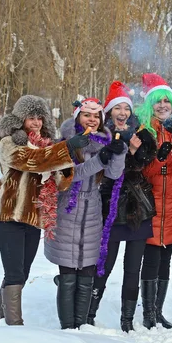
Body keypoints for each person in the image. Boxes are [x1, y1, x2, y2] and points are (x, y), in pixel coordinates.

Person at [0, 94, 90, 326]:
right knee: (15, 274)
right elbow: (32, 161)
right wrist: (65, 149)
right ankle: (14, 325)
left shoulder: (48, 147)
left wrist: (68, 162)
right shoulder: (9, 143)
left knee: (21, 274)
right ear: (20, 119)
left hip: (34, 219)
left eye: (39, 118)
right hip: (10, 217)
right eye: (30, 118)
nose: (35, 122)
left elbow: (60, 183)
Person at [44, 97, 127, 330]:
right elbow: (68, 177)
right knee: (68, 271)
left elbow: (112, 174)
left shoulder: (103, 142)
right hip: (67, 208)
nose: (91, 120)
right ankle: (67, 326)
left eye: (95, 116)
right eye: (86, 115)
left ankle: (81, 326)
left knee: (87, 272)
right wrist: (98, 160)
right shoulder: (66, 142)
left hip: (92, 209)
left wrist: (118, 154)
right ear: (77, 117)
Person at [88, 81, 157, 332]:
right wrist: (127, 151)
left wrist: (138, 150)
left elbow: (141, 167)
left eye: (126, 109)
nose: (123, 113)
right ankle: (89, 312)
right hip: (112, 206)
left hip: (138, 207)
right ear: (109, 112)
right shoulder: (101, 135)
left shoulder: (141, 133)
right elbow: (108, 173)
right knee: (104, 263)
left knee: (133, 267)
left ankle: (127, 319)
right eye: (117, 108)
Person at [134, 73, 172, 329]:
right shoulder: (145, 129)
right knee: (152, 254)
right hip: (152, 196)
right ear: (150, 105)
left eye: (167, 101)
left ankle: (158, 311)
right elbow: (141, 169)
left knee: (166, 255)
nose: (163, 105)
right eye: (158, 101)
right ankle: (147, 313)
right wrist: (158, 157)